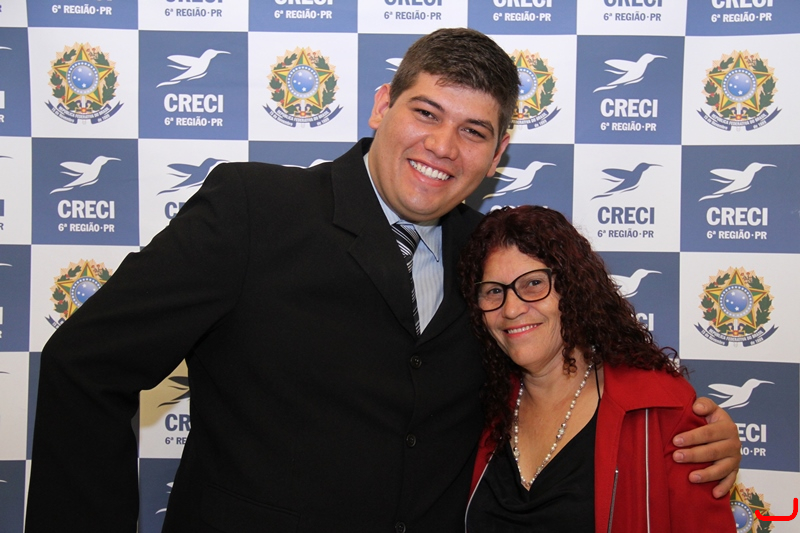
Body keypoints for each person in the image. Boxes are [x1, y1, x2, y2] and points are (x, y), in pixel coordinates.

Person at [26, 29, 739, 533]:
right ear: (380, 107)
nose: (442, 146)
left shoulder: (490, 255)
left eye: (473, 131)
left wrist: (689, 427)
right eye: (426, 112)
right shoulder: (253, 208)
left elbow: (571, 370)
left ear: (498, 153)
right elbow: (86, 364)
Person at [460, 205, 737, 532]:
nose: (511, 309)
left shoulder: (660, 410)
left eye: (533, 283)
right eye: (494, 291)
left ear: (573, 289)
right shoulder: (478, 404)